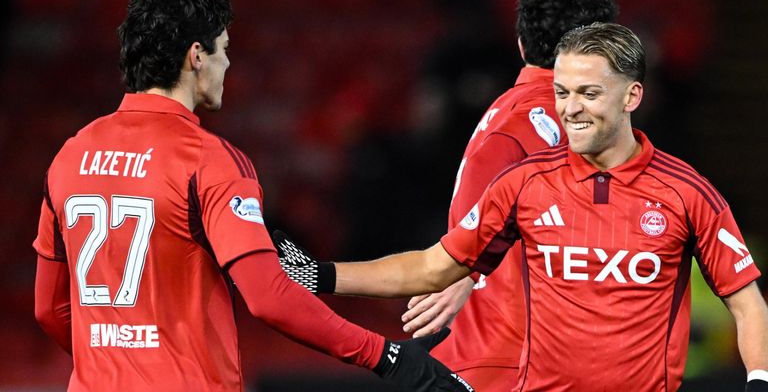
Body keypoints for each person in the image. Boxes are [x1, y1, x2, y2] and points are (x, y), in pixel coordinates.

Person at [32, 0, 473, 392]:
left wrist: (118, 365)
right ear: (197, 56)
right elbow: (268, 297)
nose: (228, 63)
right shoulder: (208, 160)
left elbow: (48, 310)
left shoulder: (70, 155)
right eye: (223, 49)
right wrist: (388, 356)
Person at [274, 23, 768, 391]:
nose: (571, 108)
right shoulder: (524, 184)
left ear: (632, 96)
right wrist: (320, 275)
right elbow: (431, 268)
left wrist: (758, 383)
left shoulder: (687, 192)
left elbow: (747, 304)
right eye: (562, 92)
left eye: (589, 93)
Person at [400, 0, 617, 391]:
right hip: (513, 357)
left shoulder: (534, 111)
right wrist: (462, 271)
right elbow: (486, 193)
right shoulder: (538, 121)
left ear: (521, 44)